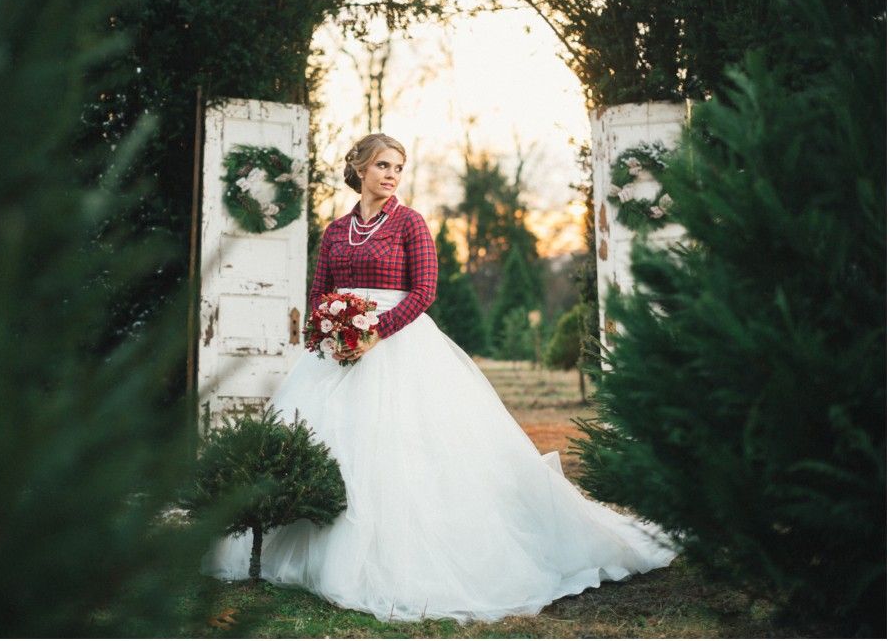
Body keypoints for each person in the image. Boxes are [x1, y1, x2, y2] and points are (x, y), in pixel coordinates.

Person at [202, 132, 678, 624]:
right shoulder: (335, 231)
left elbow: (424, 291)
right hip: (337, 350)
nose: (391, 176)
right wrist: (326, 333)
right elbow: (321, 291)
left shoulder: (409, 223)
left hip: (397, 346)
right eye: (383, 165)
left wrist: (375, 332)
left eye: (398, 168)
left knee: (401, 452)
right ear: (360, 169)